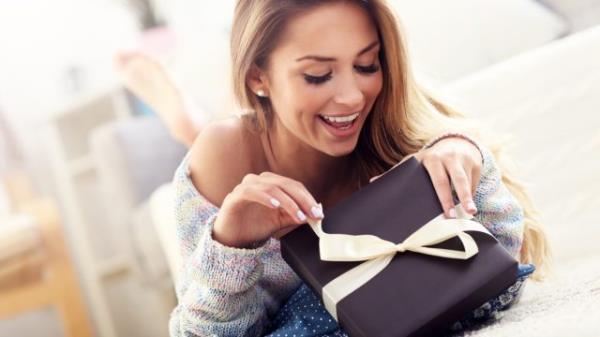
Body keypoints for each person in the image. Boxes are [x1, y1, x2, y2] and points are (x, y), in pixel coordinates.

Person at [161, 1, 549, 336]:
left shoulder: (403, 137)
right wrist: (231, 243)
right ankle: (179, 113)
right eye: (317, 75)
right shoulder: (222, 154)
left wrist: (470, 159)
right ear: (258, 77)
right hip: (246, 138)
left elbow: (502, 265)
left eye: (366, 65)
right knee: (198, 131)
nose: (351, 97)